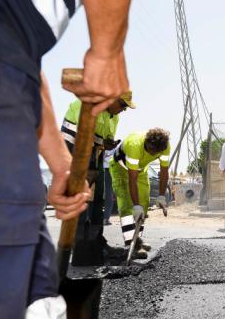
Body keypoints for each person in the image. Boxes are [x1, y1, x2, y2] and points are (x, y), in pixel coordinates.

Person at [0, 0, 137, 319]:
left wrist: (59, 166)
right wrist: (106, 52)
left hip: (8, 71)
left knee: (29, 311)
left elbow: (24, 68)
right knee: (24, 313)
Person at [61, 94, 133, 263]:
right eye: (122, 104)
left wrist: (108, 144)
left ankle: (95, 242)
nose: (123, 110)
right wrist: (90, 168)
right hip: (74, 150)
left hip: (94, 153)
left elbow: (100, 141)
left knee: (98, 198)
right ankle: (79, 245)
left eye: (125, 107)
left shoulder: (113, 117)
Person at [110, 129, 170, 258]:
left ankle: (137, 239)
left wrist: (161, 195)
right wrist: (135, 205)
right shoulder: (134, 145)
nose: (153, 153)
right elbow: (132, 180)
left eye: (156, 152)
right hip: (120, 169)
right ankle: (130, 243)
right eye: (150, 150)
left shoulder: (165, 146)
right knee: (127, 205)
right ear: (147, 142)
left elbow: (164, 171)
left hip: (141, 170)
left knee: (144, 203)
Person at [104, 147, 117, 225]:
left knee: (109, 195)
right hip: (109, 170)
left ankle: (105, 218)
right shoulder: (116, 148)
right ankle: (105, 219)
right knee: (109, 195)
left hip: (106, 169)